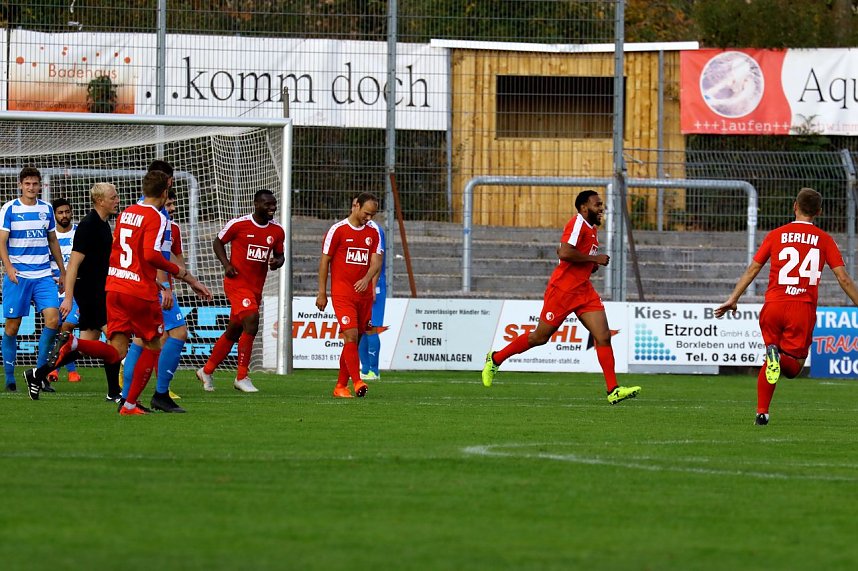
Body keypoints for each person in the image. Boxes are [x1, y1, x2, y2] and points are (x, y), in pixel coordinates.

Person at [481, 190, 641, 405]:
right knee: (540, 338)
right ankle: (496, 358)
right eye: (597, 204)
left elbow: (575, 257)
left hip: (583, 291)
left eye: (601, 204)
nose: (601, 208)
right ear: (584, 208)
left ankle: (613, 390)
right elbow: (565, 252)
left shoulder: (592, 229)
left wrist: (591, 264)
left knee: (603, 335)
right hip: (563, 291)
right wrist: (595, 258)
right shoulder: (577, 223)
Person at [715, 187, 858, 426]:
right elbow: (843, 278)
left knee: (771, 358)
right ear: (819, 212)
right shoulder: (824, 240)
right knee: (792, 369)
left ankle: (762, 412)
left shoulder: (776, 234)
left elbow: (753, 269)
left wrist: (733, 298)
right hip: (801, 308)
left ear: (795, 206)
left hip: (773, 306)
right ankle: (777, 360)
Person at [26, 183, 123, 401]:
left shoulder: (103, 224)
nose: (117, 200)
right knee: (117, 339)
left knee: (89, 342)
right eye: (113, 197)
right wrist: (68, 299)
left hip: (99, 290)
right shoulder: (88, 226)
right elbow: (73, 266)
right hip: (90, 293)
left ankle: (37, 374)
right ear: (100, 200)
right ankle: (114, 393)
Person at [195, 189, 285, 393]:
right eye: (267, 204)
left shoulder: (277, 231)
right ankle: (242, 376)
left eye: (274, 204)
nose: (272, 207)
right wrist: (226, 265)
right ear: (256, 204)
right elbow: (218, 242)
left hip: (256, 287)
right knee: (252, 320)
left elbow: (280, 255)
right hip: (236, 284)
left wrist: (276, 262)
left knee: (234, 331)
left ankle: (206, 370)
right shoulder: (239, 224)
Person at [121, 162, 188, 413]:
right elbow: (156, 253)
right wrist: (165, 288)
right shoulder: (157, 214)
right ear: (166, 182)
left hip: (129, 281)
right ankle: (160, 393)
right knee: (177, 334)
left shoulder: (133, 210)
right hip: (151, 284)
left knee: (141, 339)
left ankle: (127, 397)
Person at [0, 167, 65, 398]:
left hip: (43, 275)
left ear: (40, 186)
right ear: (20, 185)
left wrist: (63, 272)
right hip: (18, 276)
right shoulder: (9, 208)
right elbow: (2, 242)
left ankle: (38, 375)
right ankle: (9, 377)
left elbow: (52, 240)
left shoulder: (46, 209)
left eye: (35, 183)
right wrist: (8, 268)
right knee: (12, 327)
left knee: (53, 319)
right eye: (27, 183)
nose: (31, 187)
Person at [315, 192, 383, 398]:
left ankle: (340, 386)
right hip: (343, 293)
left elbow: (376, 261)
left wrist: (367, 280)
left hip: (363, 296)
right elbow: (324, 262)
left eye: (372, 215)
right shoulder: (338, 230)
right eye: (366, 213)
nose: (369, 218)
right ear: (355, 205)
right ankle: (358, 381)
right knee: (351, 335)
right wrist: (322, 293)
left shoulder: (374, 232)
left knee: (354, 340)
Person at [47, 198, 82, 384]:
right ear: (54, 215)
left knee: (67, 328)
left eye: (67, 211)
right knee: (57, 331)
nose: (64, 216)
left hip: (75, 292)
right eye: (60, 213)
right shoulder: (49, 238)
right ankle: (66, 371)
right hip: (53, 291)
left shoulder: (79, 233)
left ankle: (57, 369)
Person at [358, 219, 386, 381]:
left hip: (374, 286)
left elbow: (377, 261)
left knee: (371, 327)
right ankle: (365, 368)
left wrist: (373, 286)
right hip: (360, 284)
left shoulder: (374, 229)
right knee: (361, 329)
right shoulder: (356, 227)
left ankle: (374, 370)